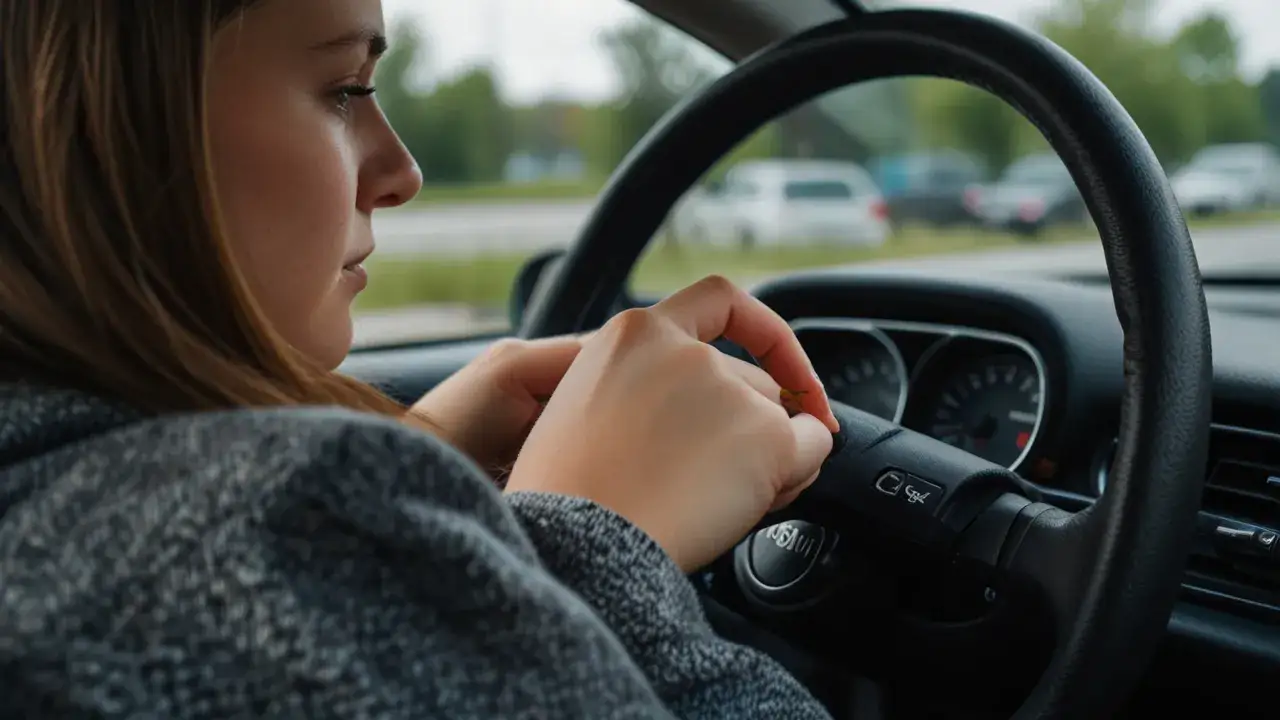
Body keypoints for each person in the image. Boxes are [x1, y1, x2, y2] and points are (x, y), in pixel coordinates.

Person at [0, 0, 843, 717]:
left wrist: (427, 452)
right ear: (99, 125)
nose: (402, 172)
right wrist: (581, 553)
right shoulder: (255, 538)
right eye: (345, 89)